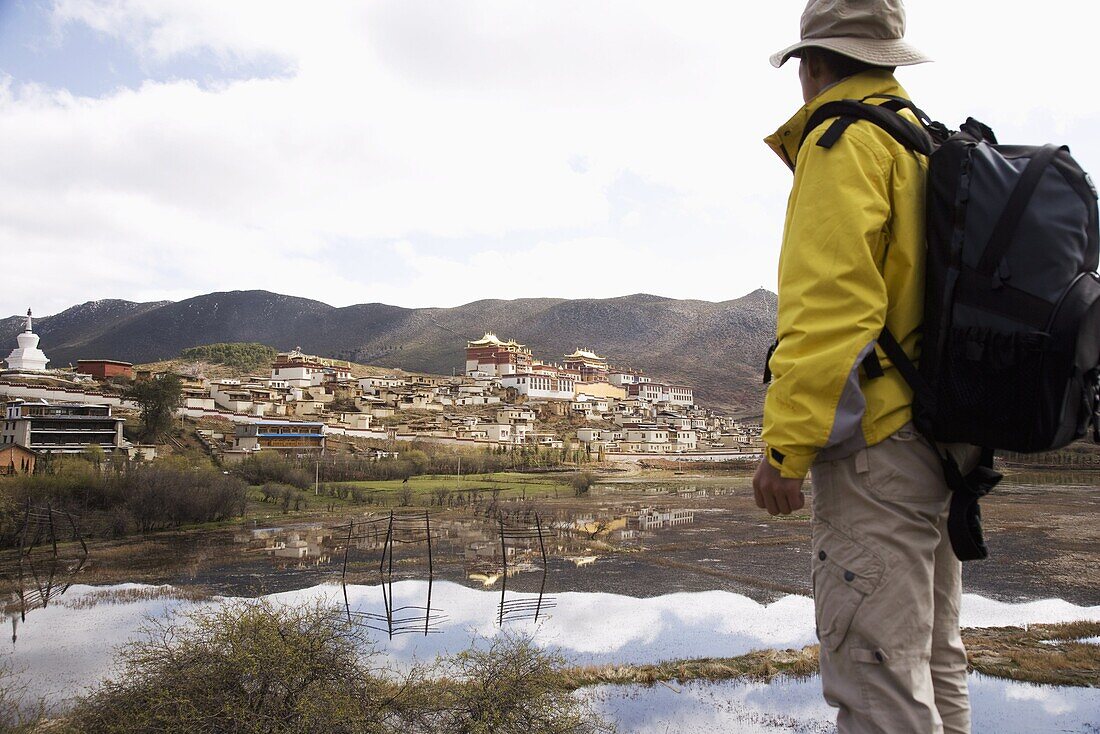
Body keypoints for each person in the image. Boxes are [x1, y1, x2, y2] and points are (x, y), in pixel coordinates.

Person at [752, 1, 979, 732]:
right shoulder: (923, 143)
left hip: (880, 451)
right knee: (931, 660)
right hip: (945, 443)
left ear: (813, 64)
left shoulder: (845, 140)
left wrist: (787, 450)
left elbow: (830, 310)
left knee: (876, 676)